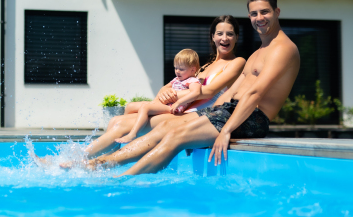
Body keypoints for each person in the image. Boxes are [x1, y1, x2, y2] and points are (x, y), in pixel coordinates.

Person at [85, 0, 300, 175]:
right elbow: (230, 94)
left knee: (175, 136)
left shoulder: (283, 48)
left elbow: (254, 95)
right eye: (254, 13)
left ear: (277, 12)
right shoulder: (259, 52)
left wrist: (225, 131)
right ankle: (96, 165)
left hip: (251, 117)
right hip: (228, 111)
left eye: (265, 12)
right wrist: (199, 121)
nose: (259, 17)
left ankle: (119, 180)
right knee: (168, 126)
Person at [65, 15, 246, 164]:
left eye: (230, 34)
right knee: (117, 120)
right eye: (220, 33)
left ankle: (78, 160)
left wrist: (172, 96)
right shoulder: (205, 65)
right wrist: (163, 91)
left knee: (122, 124)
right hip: (183, 109)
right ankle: (91, 161)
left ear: (236, 37)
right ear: (213, 36)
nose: (224, 38)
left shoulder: (237, 62)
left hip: (195, 115)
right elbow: (177, 83)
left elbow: (208, 92)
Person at [115, 49, 202, 144]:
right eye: (175, 68)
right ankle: (124, 129)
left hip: (174, 108)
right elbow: (164, 88)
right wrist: (155, 101)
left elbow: (195, 93)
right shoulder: (177, 79)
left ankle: (133, 134)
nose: (177, 71)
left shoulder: (192, 80)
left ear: (193, 69)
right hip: (167, 104)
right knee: (130, 106)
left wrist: (178, 103)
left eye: (181, 69)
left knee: (145, 107)